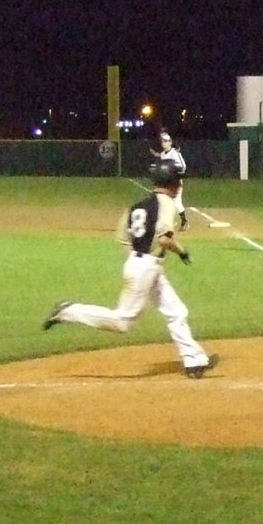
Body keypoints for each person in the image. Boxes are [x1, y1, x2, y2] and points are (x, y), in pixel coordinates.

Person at [41, 161, 218, 379]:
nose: (180, 184)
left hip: (142, 266)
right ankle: (68, 311)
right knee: (123, 322)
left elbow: (123, 240)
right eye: (178, 180)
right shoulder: (167, 204)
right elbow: (165, 239)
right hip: (146, 268)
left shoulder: (136, 207)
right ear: (172, 182)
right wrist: (182, 252)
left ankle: (195, 361)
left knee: (176, 311)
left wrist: (137, 262)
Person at [150, 132, 188, 230]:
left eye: (166, 141)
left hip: (175, 183)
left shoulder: (175, 153)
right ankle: (169, 222)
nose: (164, 143)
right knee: (164, 202)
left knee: (176, 203)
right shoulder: (162, 154)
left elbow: (183, 166)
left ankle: (184, 222)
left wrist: (175, 173)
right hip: (165, 183)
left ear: (170, 142)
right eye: (162, 141)